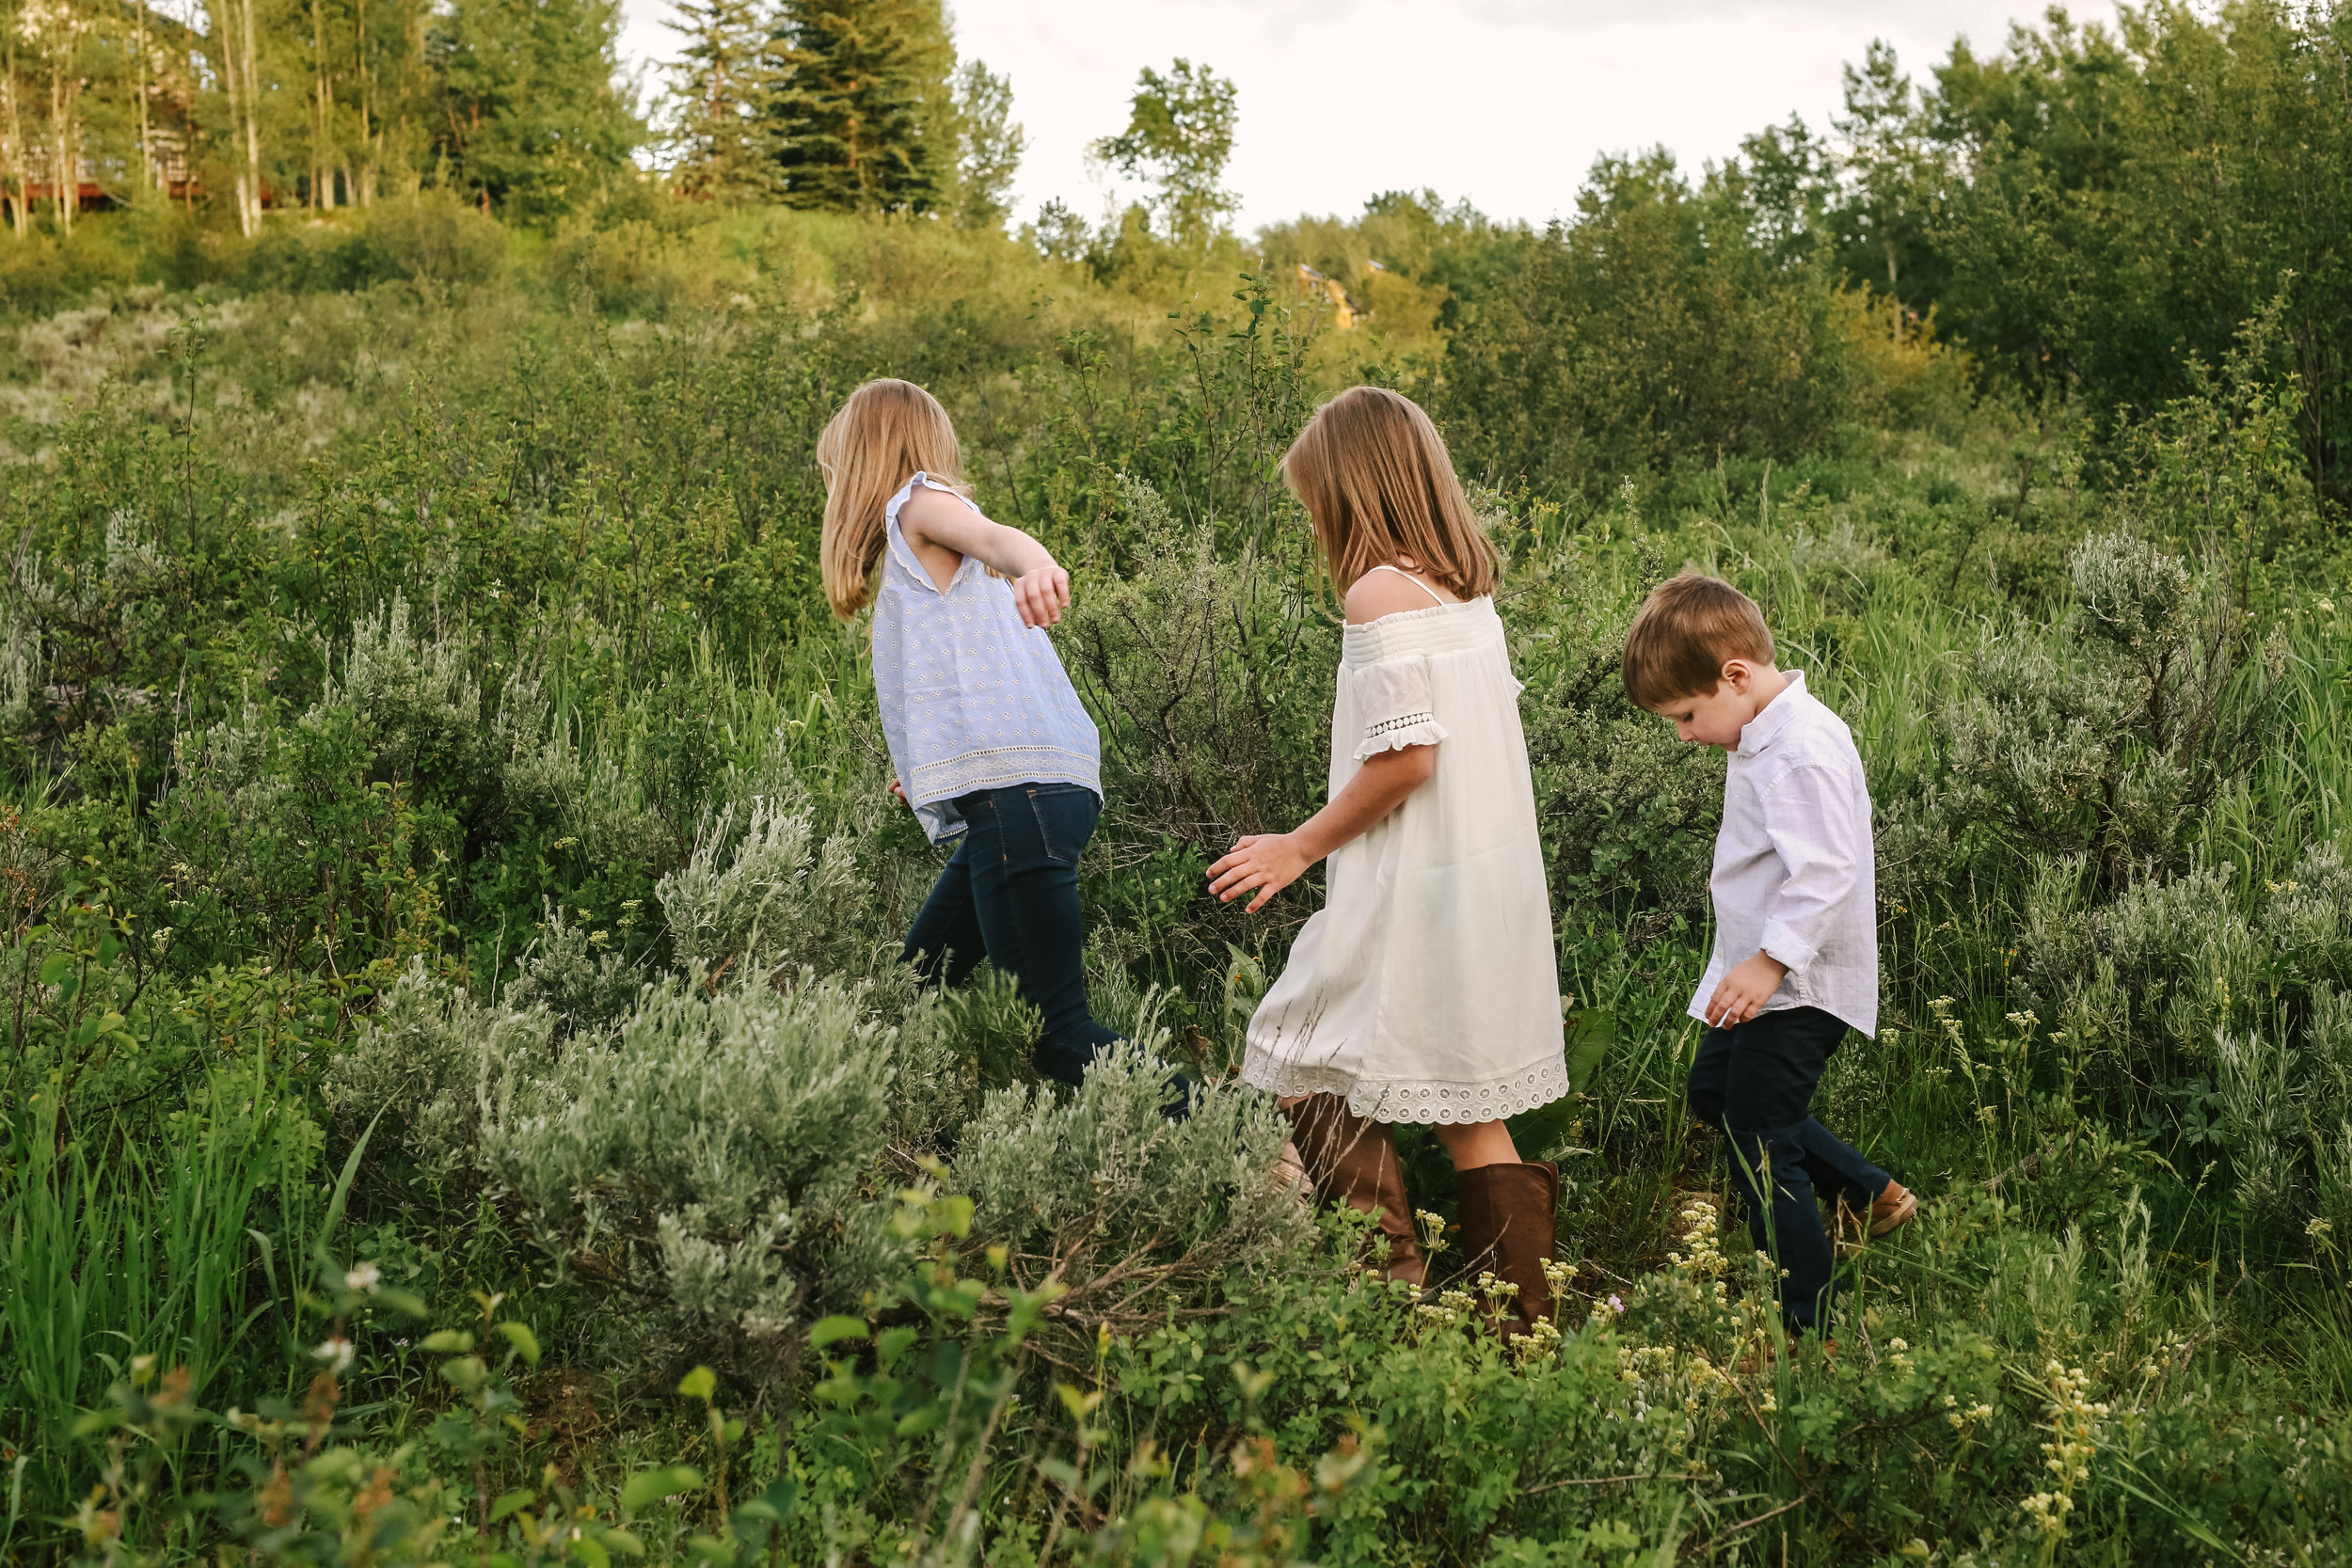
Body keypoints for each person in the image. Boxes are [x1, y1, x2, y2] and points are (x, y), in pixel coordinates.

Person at [1210, 388, 1569, 1342]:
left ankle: (1387, 1285)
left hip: (1410, 884)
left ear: (1348, 489)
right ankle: (1523, 1333)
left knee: (1292, 1050)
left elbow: (1409, 758)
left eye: (1313, 502)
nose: (1312, 521)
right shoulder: (1462, 587)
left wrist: (1297, 845)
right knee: (1462, 1103)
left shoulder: (1376, 594)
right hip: (1477, 881)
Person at [818, 378, 1159, 1098]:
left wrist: (1037, 566)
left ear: (863, 453)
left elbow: (999, 539)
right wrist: (928, 764)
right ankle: (895, 1140)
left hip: (1019, 797)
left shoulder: (917, 502)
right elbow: (963, 675)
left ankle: (1247, 1143)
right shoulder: (916, 545)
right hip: (1024, 793)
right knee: (915, 984)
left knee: (1062, 1035)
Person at [1621, 574, 1916, 1345]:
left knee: (1762, 1144)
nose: (1684, 734)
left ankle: (1802, 1330)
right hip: (1771, 972)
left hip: (1801, 982)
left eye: (1686, 715)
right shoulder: (1765, 731)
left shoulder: (1798, 749)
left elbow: (1827, 868)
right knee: (1717, 1089)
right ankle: (1868, 1191)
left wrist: (1770, 964)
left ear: (1736, 676)